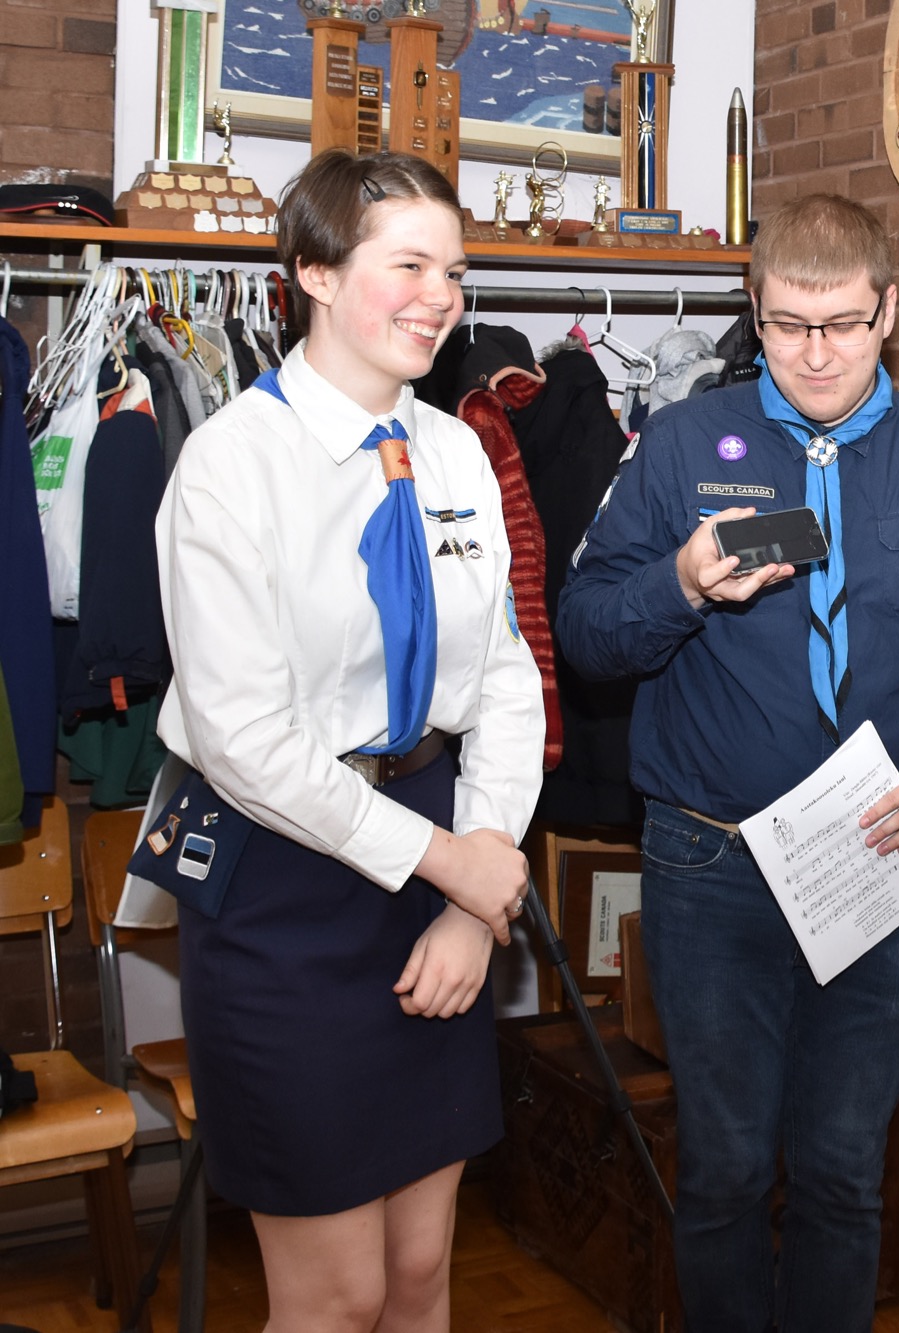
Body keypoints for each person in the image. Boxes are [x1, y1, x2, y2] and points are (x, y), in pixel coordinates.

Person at [555, 192, 899, 1332]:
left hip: (874, 857)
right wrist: (677, 583)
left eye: (842, 324)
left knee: (837, 1172)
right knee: (721, 1173)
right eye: (785, 325)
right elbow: (581, 631)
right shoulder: (678, 446)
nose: (814, 353)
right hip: (709, 864)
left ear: (889, 315)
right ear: (751, 313)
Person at [156, 149, 543, 1332]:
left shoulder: (456, 450)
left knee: (422, 1277)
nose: (441, 296)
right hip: (281, 886)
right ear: (315, 274)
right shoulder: (232, 466)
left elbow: (506, 681)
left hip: (437, 851)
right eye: (408, 265)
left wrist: (474, 894)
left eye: (456, 270)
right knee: (334, 1298)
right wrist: (457, 874)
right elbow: (248, 744)